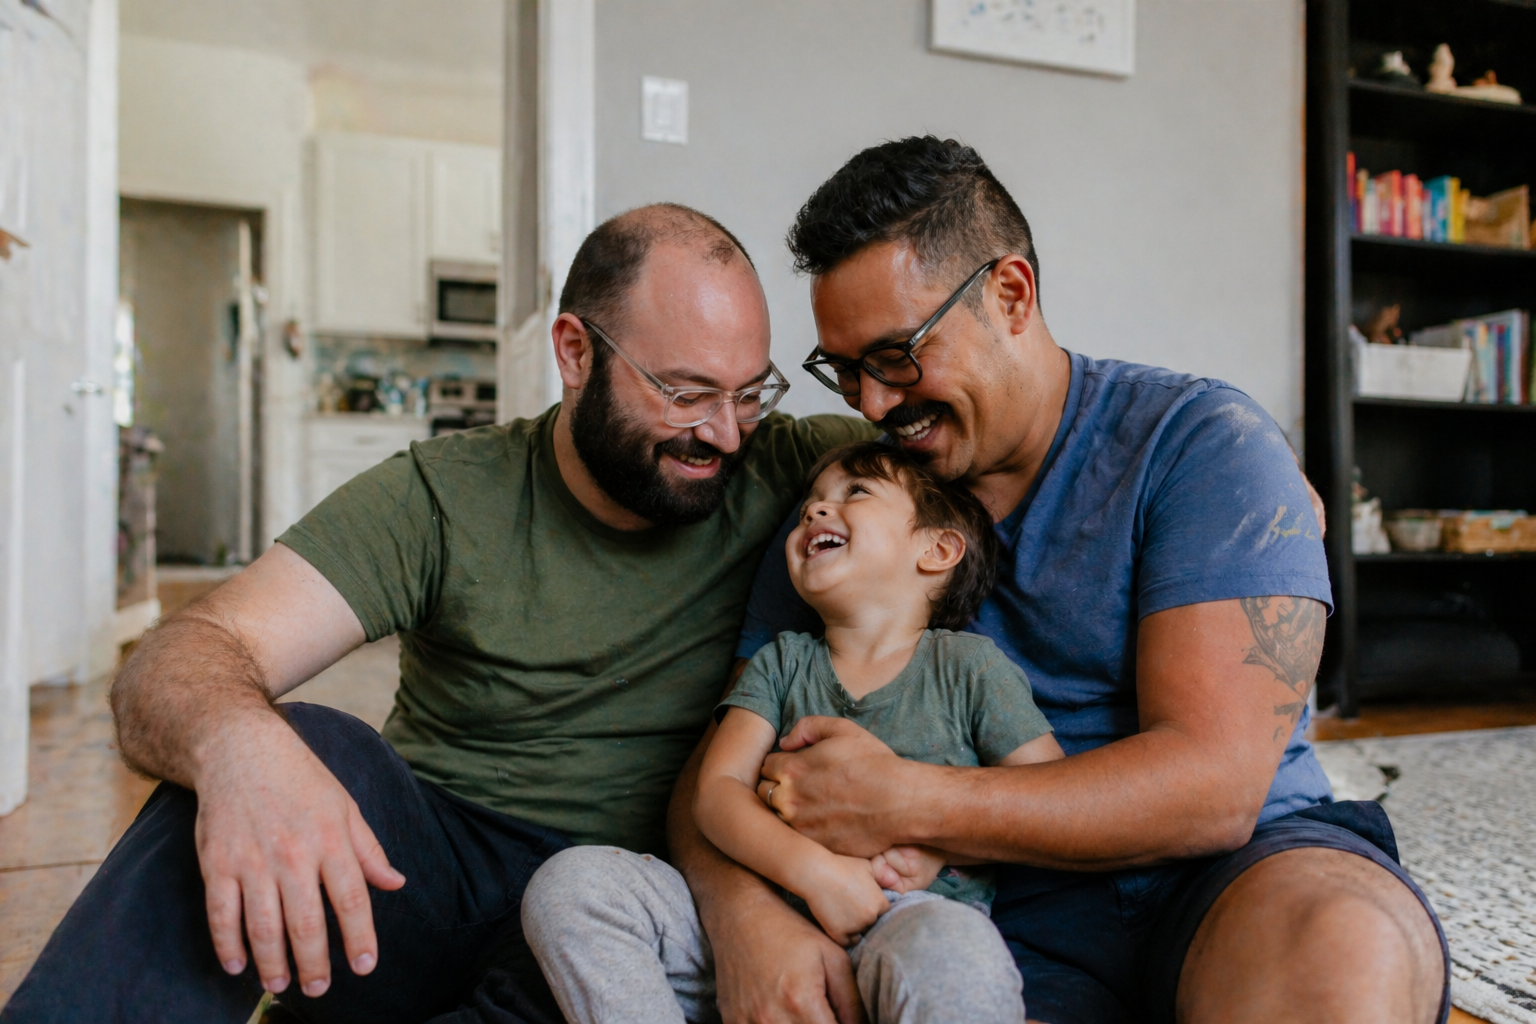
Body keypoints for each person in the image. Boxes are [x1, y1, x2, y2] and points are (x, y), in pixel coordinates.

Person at [0, 204, 873, 1024]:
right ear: (575, 353)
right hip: (415, 884)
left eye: (750, 392)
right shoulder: (445, 494)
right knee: (286, 744)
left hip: (621, 909)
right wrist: (238, 751)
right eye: (685, 393)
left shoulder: (810, 481)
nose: (725, 432)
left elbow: (980, 471)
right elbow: (184, 658)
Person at [665, 138, 1450, 1024]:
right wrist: (743, 918)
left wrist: (908, 800)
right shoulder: (847, 512)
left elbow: (1212, 792)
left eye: (896, 354)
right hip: (976, 914)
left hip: (1238, 873)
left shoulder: (1200, 445)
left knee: (1348, 952)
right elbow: (720, 770)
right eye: (844, 370)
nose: (873, 404)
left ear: (1010, 295)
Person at [521, 441, 1064, 1024]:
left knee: (958, 954)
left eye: (854, 492)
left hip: (902, 924)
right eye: (811, 501)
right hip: (750, 937)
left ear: (936, 549)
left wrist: (935, 840)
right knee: (572, 884)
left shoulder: (971, 669)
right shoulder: (781, 663)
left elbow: (1048, 802)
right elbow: (717, 791)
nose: (814, 511)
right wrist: (813, 872)